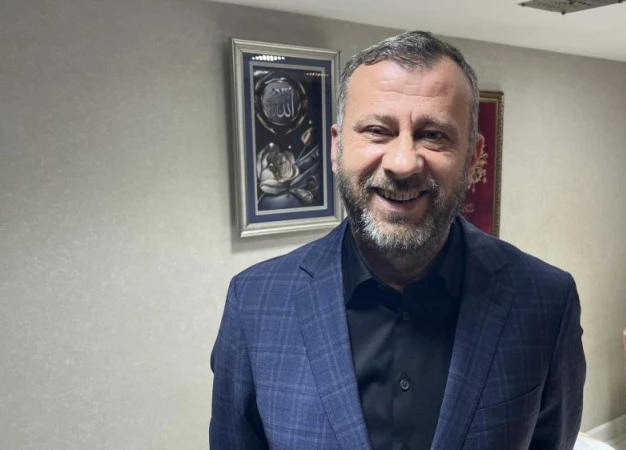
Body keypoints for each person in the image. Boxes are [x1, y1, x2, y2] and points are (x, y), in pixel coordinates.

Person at [210, 30, 586, 450]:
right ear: (335, 148)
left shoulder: (546, 302)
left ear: (474, 157)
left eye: (434, 135)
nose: (403, 163)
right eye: (377, 130)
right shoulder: (254, 305)